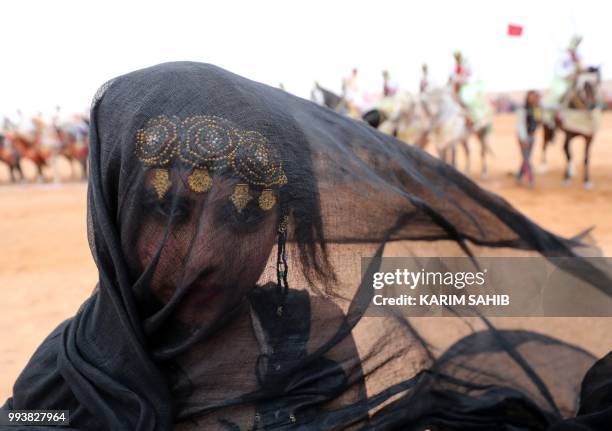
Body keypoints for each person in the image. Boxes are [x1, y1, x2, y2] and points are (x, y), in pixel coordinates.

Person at [3, 62, 612, 430]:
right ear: (116, 213)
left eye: (246, 215)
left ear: (283, 226)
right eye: (172, 210)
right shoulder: (54, 390)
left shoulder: (306, 331)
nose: (208, 252)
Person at [516, 90, 542, 187]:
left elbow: (539, 121)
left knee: (526, 158)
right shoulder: (523, 109)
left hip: (532, 136)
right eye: (531, 97)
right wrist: (523, 138)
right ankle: (531, 179)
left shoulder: (537, 109)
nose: (533, 99)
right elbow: (520, 125)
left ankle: (519, 176)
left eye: (535, 97)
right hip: (524, 137)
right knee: (527, 159)